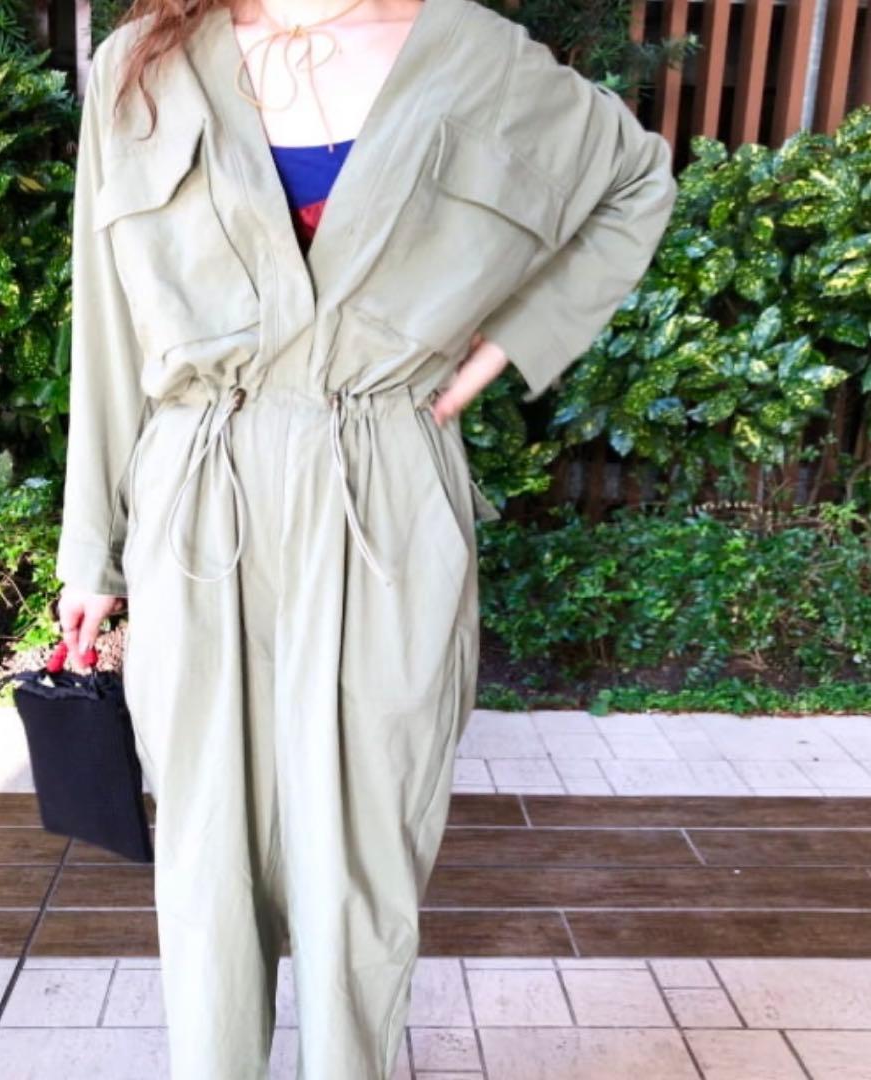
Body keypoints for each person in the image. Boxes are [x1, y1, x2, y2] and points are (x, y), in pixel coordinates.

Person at [55, 0, 678, 1075]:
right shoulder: (142, 64)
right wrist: (90, 552)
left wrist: (504, 348)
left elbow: (636, 181)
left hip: (383, 488)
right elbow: (105, 324)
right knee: (206, 858)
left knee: (365, 856)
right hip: (200, 493)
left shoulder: (472, 54)